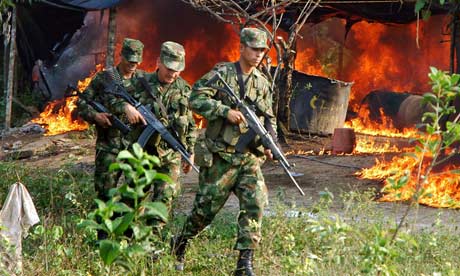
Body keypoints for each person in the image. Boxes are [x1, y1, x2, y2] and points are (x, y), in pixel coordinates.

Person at [172, 27, 275, 276]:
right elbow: (194, 98)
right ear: (242, 48)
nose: (259, 54)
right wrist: (223, 111)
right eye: (254, 48)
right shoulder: (222, 74)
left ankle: (244, 264)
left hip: (248, 157)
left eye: (262, 50)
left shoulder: (262, 82)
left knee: (255, 204)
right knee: (204, 211)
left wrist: (271, 142)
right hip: (221, 156)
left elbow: (268, 116)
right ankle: (180, 243)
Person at [113, 41, 197, 234]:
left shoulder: (185, 90)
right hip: (142, 153)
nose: (173, 74)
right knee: (133, 198)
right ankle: (126, 237)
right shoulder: (139, 82)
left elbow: (190, 123)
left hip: (169, 155)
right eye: (169, 68)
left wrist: (189, 150)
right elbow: (113, 97)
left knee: (164, 199)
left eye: (177, 70)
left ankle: (153, 243)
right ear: (159, 62)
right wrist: (125, 107)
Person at [76, 38, 147, 202]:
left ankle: (128, 226)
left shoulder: (144, 80)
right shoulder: (105, 78)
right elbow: (81, 102)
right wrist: (95, 116)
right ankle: (104, 227)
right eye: (129, 60)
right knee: (105, 194)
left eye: (136, 61)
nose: (133, 64)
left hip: (136, 146)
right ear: (121, 56)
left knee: (136, 194)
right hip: (109, 145)